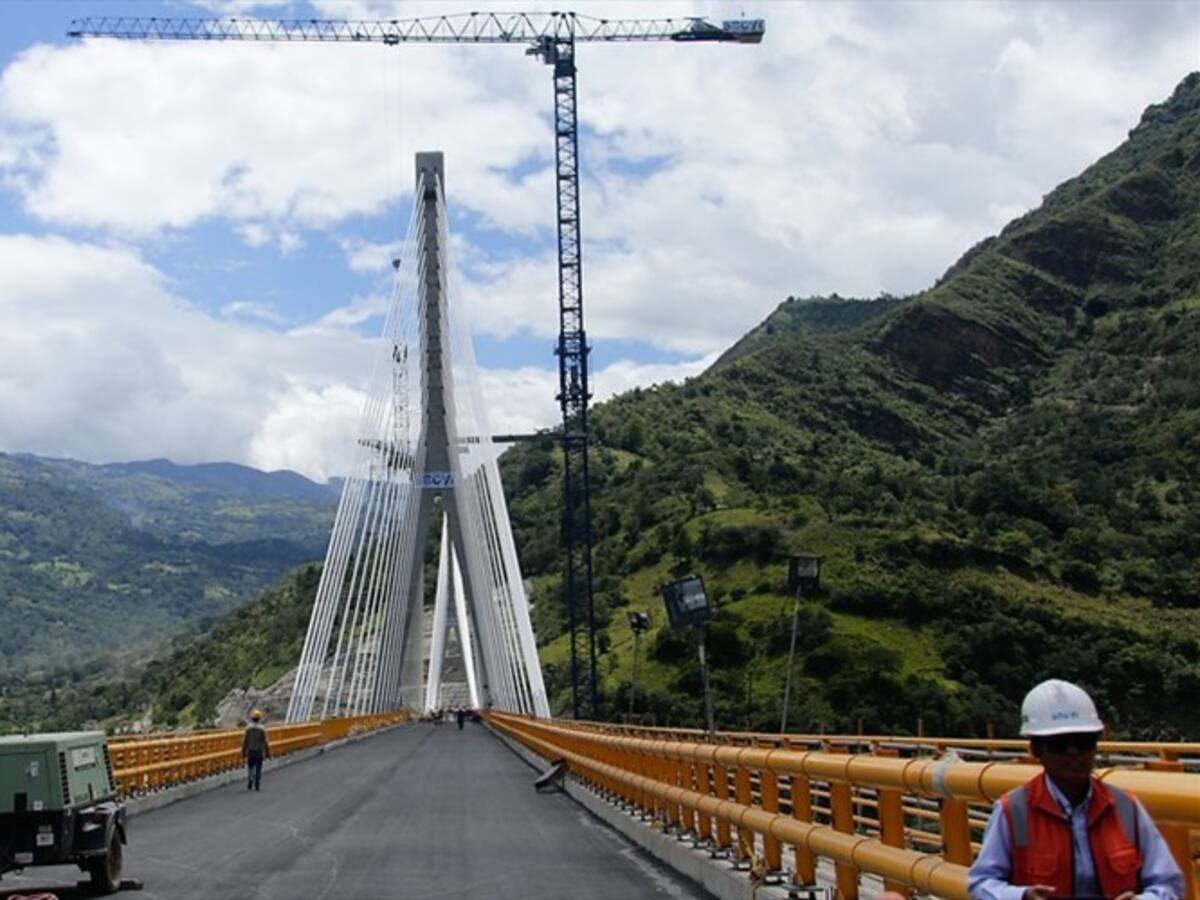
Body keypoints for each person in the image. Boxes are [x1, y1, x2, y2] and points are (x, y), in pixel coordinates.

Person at [969, 679, 1184, 900]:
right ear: (1036, 749)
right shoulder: (1013, 811)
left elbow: (1168, 883)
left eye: (1084, 742)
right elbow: (982, 883)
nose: (1073, 753)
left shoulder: (1125, 807)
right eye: (1058, 744)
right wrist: (1021, 896)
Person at [242, 709, 270, 792]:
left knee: (250, 766)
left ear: (251, 718)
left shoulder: (248, 728)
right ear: (260, 718)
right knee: (258, 767)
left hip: (250, 750)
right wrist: (267, 751)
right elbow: (265, 741)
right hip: (259, 750)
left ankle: (250, 779)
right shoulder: (262, 729)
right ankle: (257, 784)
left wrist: (243, 751)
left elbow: (245, 741)